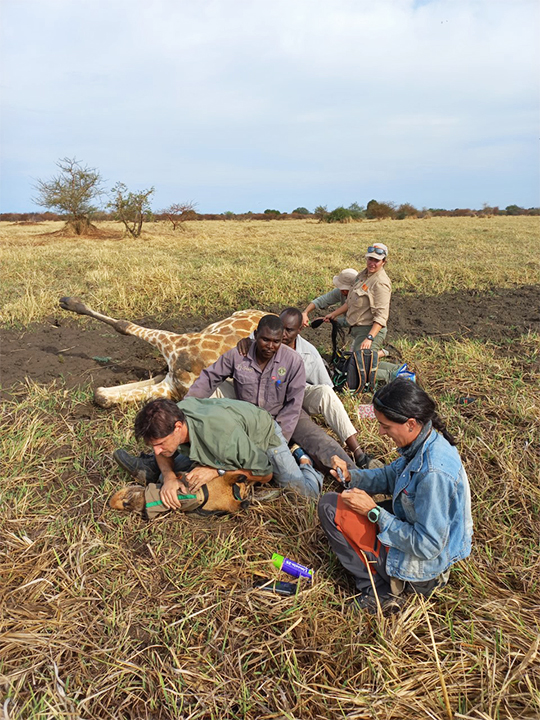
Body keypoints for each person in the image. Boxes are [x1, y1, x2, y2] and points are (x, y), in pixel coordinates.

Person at [318, 378, 473, 613]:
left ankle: (380, 590)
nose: (381, 431)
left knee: (330, 507)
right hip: (418, 540)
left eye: (386, 426)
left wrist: (374, 512)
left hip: (423, 570)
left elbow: (428, 546)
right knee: (341, 504)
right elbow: (390, 476)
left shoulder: (433, 472)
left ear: (410, 423)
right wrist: (351, 477)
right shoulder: (422, 441)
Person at [185, 314, 324, 496]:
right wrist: (186, 408)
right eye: (265, 339)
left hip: (271, 428)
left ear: (282, 338)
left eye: (275, 341)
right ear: (255, 334)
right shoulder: (238, 355)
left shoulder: (292, 361)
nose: (270, 346)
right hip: (243, 425)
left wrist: (279, 440)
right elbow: (209, 378)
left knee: (301, 493)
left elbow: (293, 406)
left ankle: (305, 463)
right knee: (190, 456)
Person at [114, 395, 321, 506]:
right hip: (225, 436)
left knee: (303, 495)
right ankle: (156, 470)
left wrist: (216, 471)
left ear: (178, 427)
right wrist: (168, 477)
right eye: (153, 447)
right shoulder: (171, 415)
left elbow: (265, 473)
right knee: (173, 476)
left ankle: (301, 458)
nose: (157, 451)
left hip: (262, 437)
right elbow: (164, 451)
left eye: (160, 444)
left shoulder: (221, 435)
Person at [237, 307, 376, 469]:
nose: (282, 334)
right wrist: (245, 342)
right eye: (281, 328)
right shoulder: (268, 340)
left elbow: (326, 385)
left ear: (299, 330)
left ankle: (358, 452)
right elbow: (248, 348)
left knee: (325, 393)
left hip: (295, 398)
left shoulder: (309, 353)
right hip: (264, 399)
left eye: (289, 330)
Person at [324, 243, 391, 356]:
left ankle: (396, 372)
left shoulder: (380, 283)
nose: (372, 263)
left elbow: (381, 316)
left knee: (361, 368)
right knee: (354, 362)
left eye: (376, 260)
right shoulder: (363, 275)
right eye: (370, 259)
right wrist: (334, 314)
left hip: (370, 330)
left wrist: (369, 338)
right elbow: (351, 301)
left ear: (383, 262)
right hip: (358, 329)